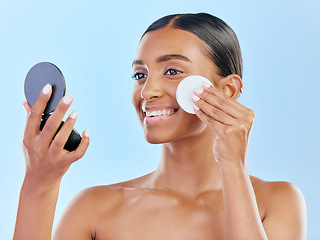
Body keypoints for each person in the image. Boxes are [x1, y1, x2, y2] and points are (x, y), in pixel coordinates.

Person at [13, 13, 307, 240]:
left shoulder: (276, 202)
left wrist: (232, 164)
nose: (147, 91)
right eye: (140, 75)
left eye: (172, 71)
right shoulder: (94, 208)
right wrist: (39, 185)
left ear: (228, 90)